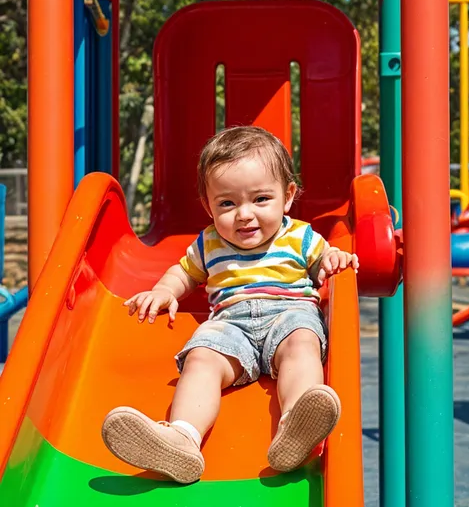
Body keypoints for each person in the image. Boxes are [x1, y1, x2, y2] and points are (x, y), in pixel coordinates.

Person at [102, 126, 359, 483]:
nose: (244, 214)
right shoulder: (208, 243)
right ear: (208, 206)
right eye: (227, 203)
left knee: (302, 344)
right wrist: (164, 291)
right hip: (230, 326)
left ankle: (298, 424)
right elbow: (184, 273)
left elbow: (323, 259)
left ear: (287, 197)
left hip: (289, 314)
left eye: (260, 199)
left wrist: (332, 259)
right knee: (201, 359)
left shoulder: (299, 236)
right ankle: (182, 438)